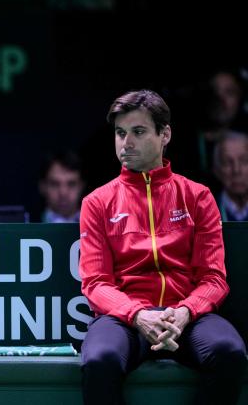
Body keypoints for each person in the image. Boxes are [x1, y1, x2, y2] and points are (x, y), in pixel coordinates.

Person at [79, 89, 246, 405]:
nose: (126, 143)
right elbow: (96, 283)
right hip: (124, 318)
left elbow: (213, 279)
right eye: (120, 133)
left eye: (138, 132)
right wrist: (138, 314)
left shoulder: (197, 197)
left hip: (187, 316)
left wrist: (184, 312)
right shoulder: (97, 202)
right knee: (100, 360)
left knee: (229, 353)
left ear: (164, 134)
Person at [37, 150, 85, 222]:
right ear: (42, 186)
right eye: (55, 184)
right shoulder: (26, 228)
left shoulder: (98, 228)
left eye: (71, 184)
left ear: (81, 186)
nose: (63, 192)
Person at [213, 131, 248, 221]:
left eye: (244, 161)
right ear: (217, 170)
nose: (236, 170)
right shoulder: (206, 210)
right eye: (227, 162)